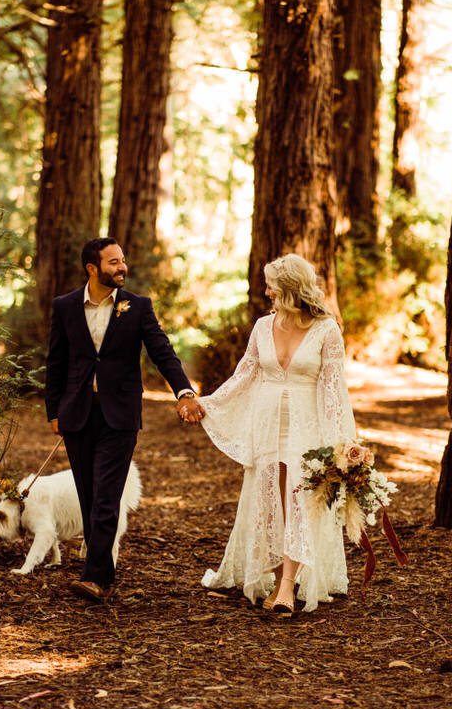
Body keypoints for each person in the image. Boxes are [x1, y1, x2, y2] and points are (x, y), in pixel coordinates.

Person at [196, 253, 357, 615]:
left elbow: (333, 390)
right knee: (270, 498)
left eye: (271, 285)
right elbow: (243, 375)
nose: (266, 291)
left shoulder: (326, 329)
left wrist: (341, 443)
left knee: (300, 501)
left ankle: (287, 586)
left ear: (289, 289)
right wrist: (206, 403)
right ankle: (271, 573)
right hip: (267, 425)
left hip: (307, 426)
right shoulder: (261, 327)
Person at [45, 236, 202, 603]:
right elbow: (56, 362)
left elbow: (162, 351)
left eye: (123, 261)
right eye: (113, 262)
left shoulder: (138, 306)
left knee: (107, 495)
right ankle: (101, 562)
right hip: (77, 414)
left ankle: (96, 576)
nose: (122, 267)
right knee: (88, 493)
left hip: (120, 414)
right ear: (92, 268)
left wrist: (185, 391)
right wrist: (54, 411)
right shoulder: (65, 306)